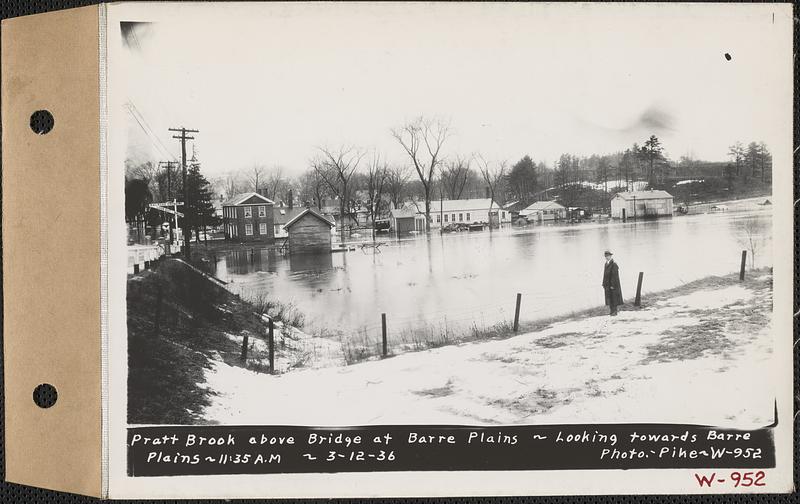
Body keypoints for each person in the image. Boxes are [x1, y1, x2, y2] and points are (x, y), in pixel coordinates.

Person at [602, 250, 623, 316]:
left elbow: (615, 276)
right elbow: (605, 274)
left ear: (611, 256)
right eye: (606, 256)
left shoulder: (614, 264)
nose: (607, 257)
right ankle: (611, 311)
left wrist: (613, 285)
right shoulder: (606, 264)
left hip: (613, 285)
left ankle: (615, 311)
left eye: (608, 256)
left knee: (614, 298)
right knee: (609, 297)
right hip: (607, 284)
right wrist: (603, 283)